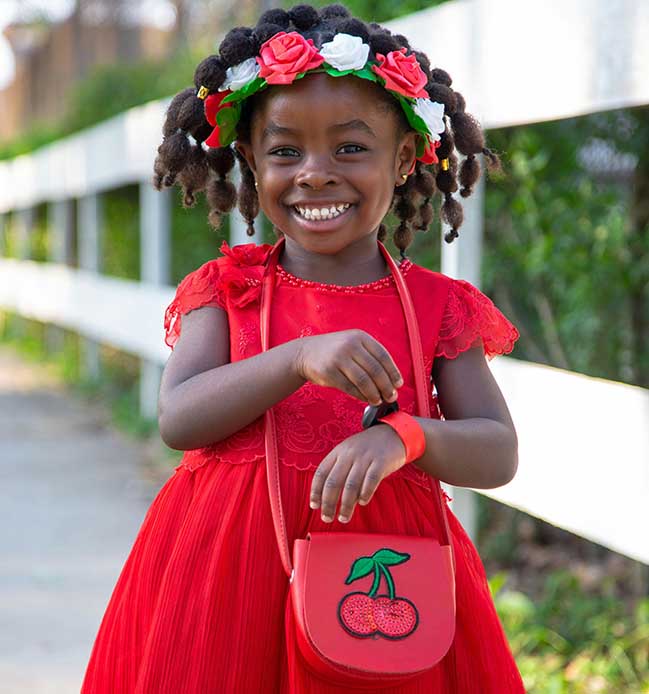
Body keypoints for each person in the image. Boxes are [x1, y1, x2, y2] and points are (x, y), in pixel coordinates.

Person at [82, 4, 525, 692]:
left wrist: (402, 437)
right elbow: (180, 418)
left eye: (350, 148)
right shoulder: (229, 290)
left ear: (404, 159)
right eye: (285, 151)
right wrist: (294, 358)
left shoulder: (440, 307)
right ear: (251, 163)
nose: (314, 173)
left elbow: (496, 451)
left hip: (388, 573)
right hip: (225, 569)